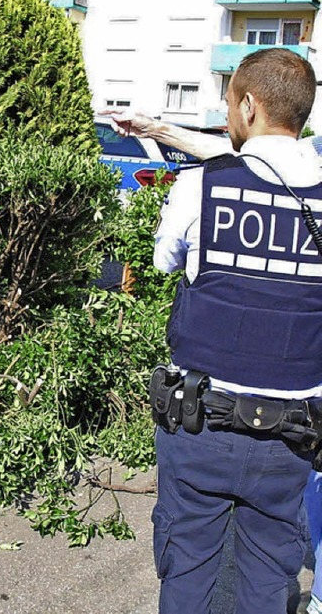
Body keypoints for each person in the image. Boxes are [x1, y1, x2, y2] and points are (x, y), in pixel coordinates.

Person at [110, 48, 322, 614]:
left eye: (229, 103)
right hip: (294, 437)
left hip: (202, 425)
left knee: (189, 572)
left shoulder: (202, 186)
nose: (226, 116)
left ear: (249, 105)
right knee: (267, 581)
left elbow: (163, 261)